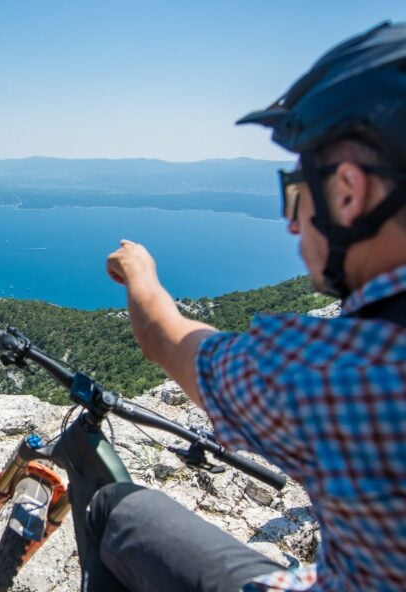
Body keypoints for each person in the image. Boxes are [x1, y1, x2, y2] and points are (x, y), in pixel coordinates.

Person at [93, 21, 406, 592]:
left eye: (295, 190)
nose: (290, 221)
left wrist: (140, 271)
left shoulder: (342, 372)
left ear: (347, 192)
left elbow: (166, 336)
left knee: (120, 510)